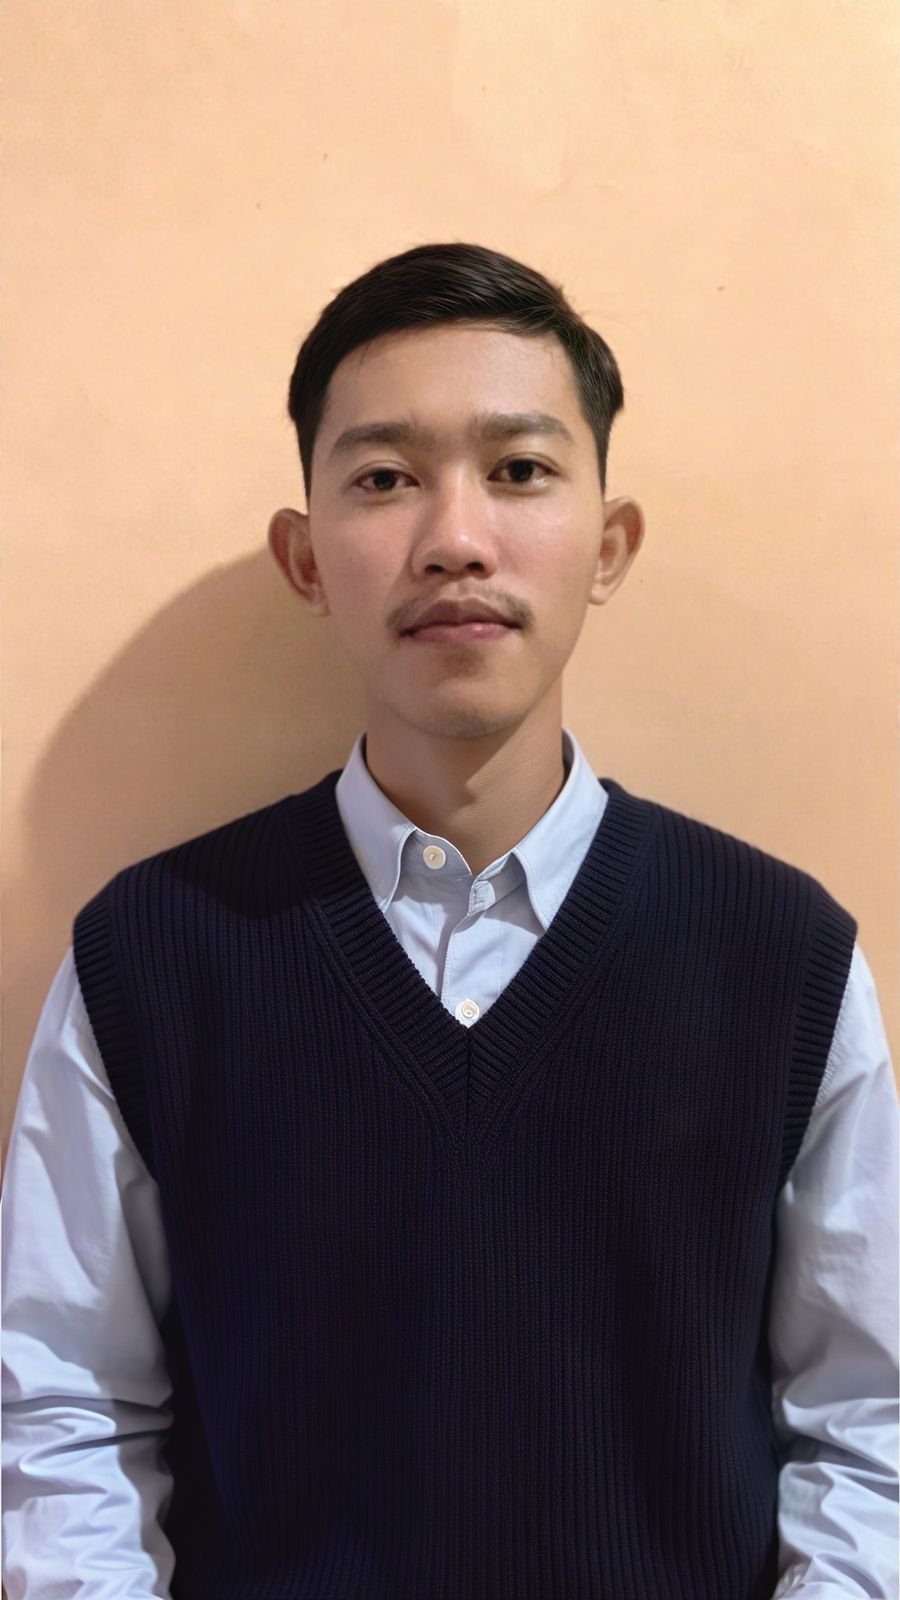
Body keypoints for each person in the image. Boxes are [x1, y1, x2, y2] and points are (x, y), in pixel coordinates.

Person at [2, 241, 897, 1600]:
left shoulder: (783, 957)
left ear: (610, 546)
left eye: (520, 469)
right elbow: (63, 1406)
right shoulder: (153, 955)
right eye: (384, 478)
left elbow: (867, 1424)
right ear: (306, 558)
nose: (456, 538)